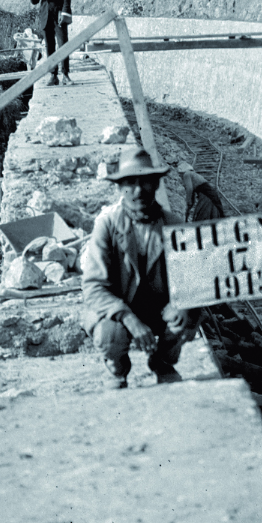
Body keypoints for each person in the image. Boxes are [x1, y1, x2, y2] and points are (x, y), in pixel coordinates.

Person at [80, 146, 188, 388]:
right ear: (120, 188)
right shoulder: (106, 225)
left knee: (185, 317)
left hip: (158, 310)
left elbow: (193, 279)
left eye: (146, 182)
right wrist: (129, 318)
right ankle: (118, 370)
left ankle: (162, 363)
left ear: (157, 184)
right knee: (109, 335)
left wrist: (181, 302)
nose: (138, 191)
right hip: (120, 311)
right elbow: (93, 288)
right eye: (130, 183)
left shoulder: (175, 226)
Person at [27, 0, 72, 85]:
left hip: (58, 17)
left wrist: (64, 13)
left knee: (63, 44)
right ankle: (53, 75)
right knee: (50, 47)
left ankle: (65, 74)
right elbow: (35, 1)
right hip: (45, 17)